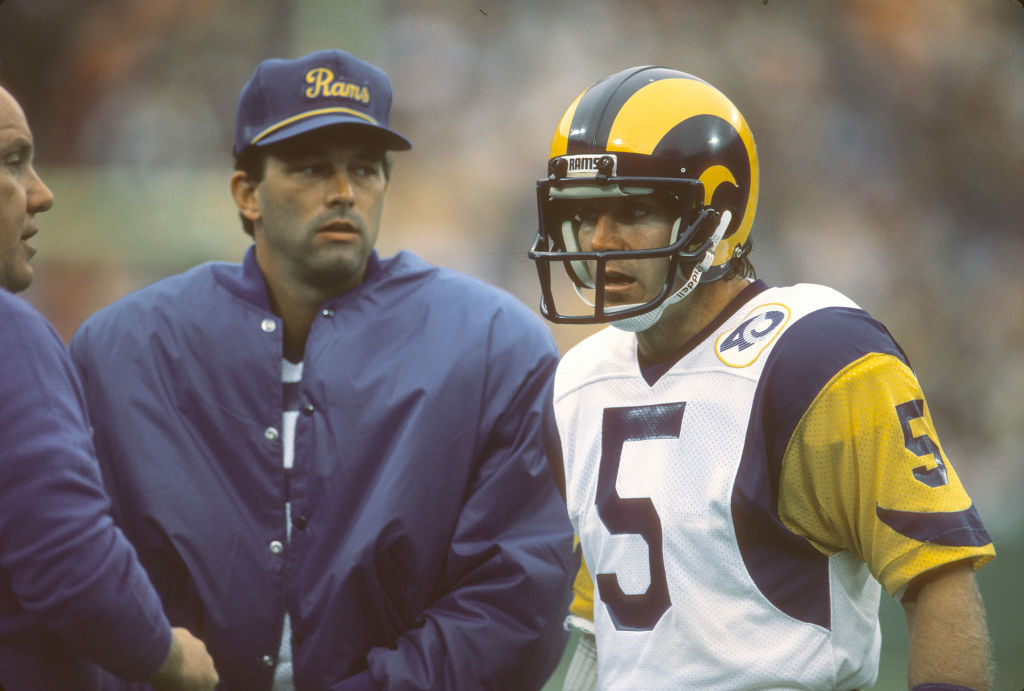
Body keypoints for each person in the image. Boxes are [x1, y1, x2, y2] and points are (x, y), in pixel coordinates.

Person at [69, 49, 575, 690]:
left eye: (364, 169)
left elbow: (514, 596)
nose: (343, 192)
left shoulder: (491, 345)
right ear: (246, 194)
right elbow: (75, 571)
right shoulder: (126, 350)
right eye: (311, 169)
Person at [529, 66, 996, 691]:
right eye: (584, 215)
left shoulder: (816, 353)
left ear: (715, 217)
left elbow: (937, 579)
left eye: (633, 211)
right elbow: (601, 634)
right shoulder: (579, 381)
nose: (599, 241)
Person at [0, 84, 219, 690]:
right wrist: (170, 658)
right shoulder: (9, 332)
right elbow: (68, 561)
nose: (41, 194)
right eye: (12, 162)